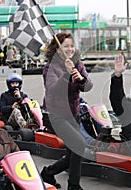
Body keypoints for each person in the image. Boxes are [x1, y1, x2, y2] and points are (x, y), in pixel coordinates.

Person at [40, 32, 93, 190]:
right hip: (55, 115)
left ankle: (48, 173)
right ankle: (74, 185)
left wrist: (81, 79)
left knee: (72, 154)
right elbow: (53, 89)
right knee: (79, 144)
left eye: (72, 45)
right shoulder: (50, 67)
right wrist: (66, 75)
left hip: (73, 113)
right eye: (65, 46)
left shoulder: (77, 63)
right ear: (57, 49)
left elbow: (88, 86)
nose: (70, 49)